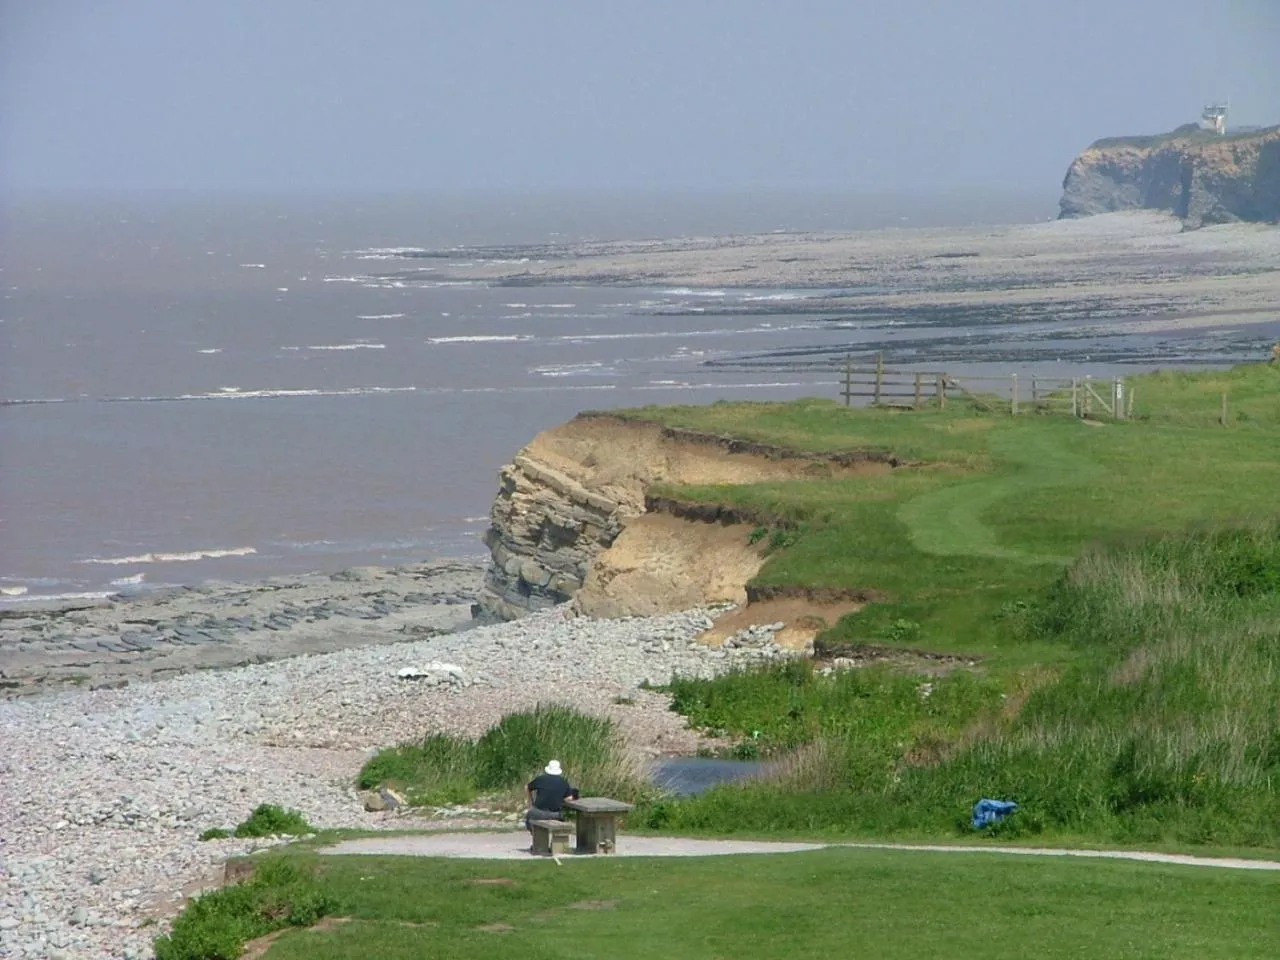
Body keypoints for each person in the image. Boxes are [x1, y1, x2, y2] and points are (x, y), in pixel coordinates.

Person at [524, 760, 579, 831]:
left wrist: (530, 804)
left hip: (538, 813)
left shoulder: (541, 779)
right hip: (555, 814)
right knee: (561, 817)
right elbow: (568, 798)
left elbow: (527, 787)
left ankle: (536, 837)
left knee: (530, 815)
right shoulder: (563, 782)